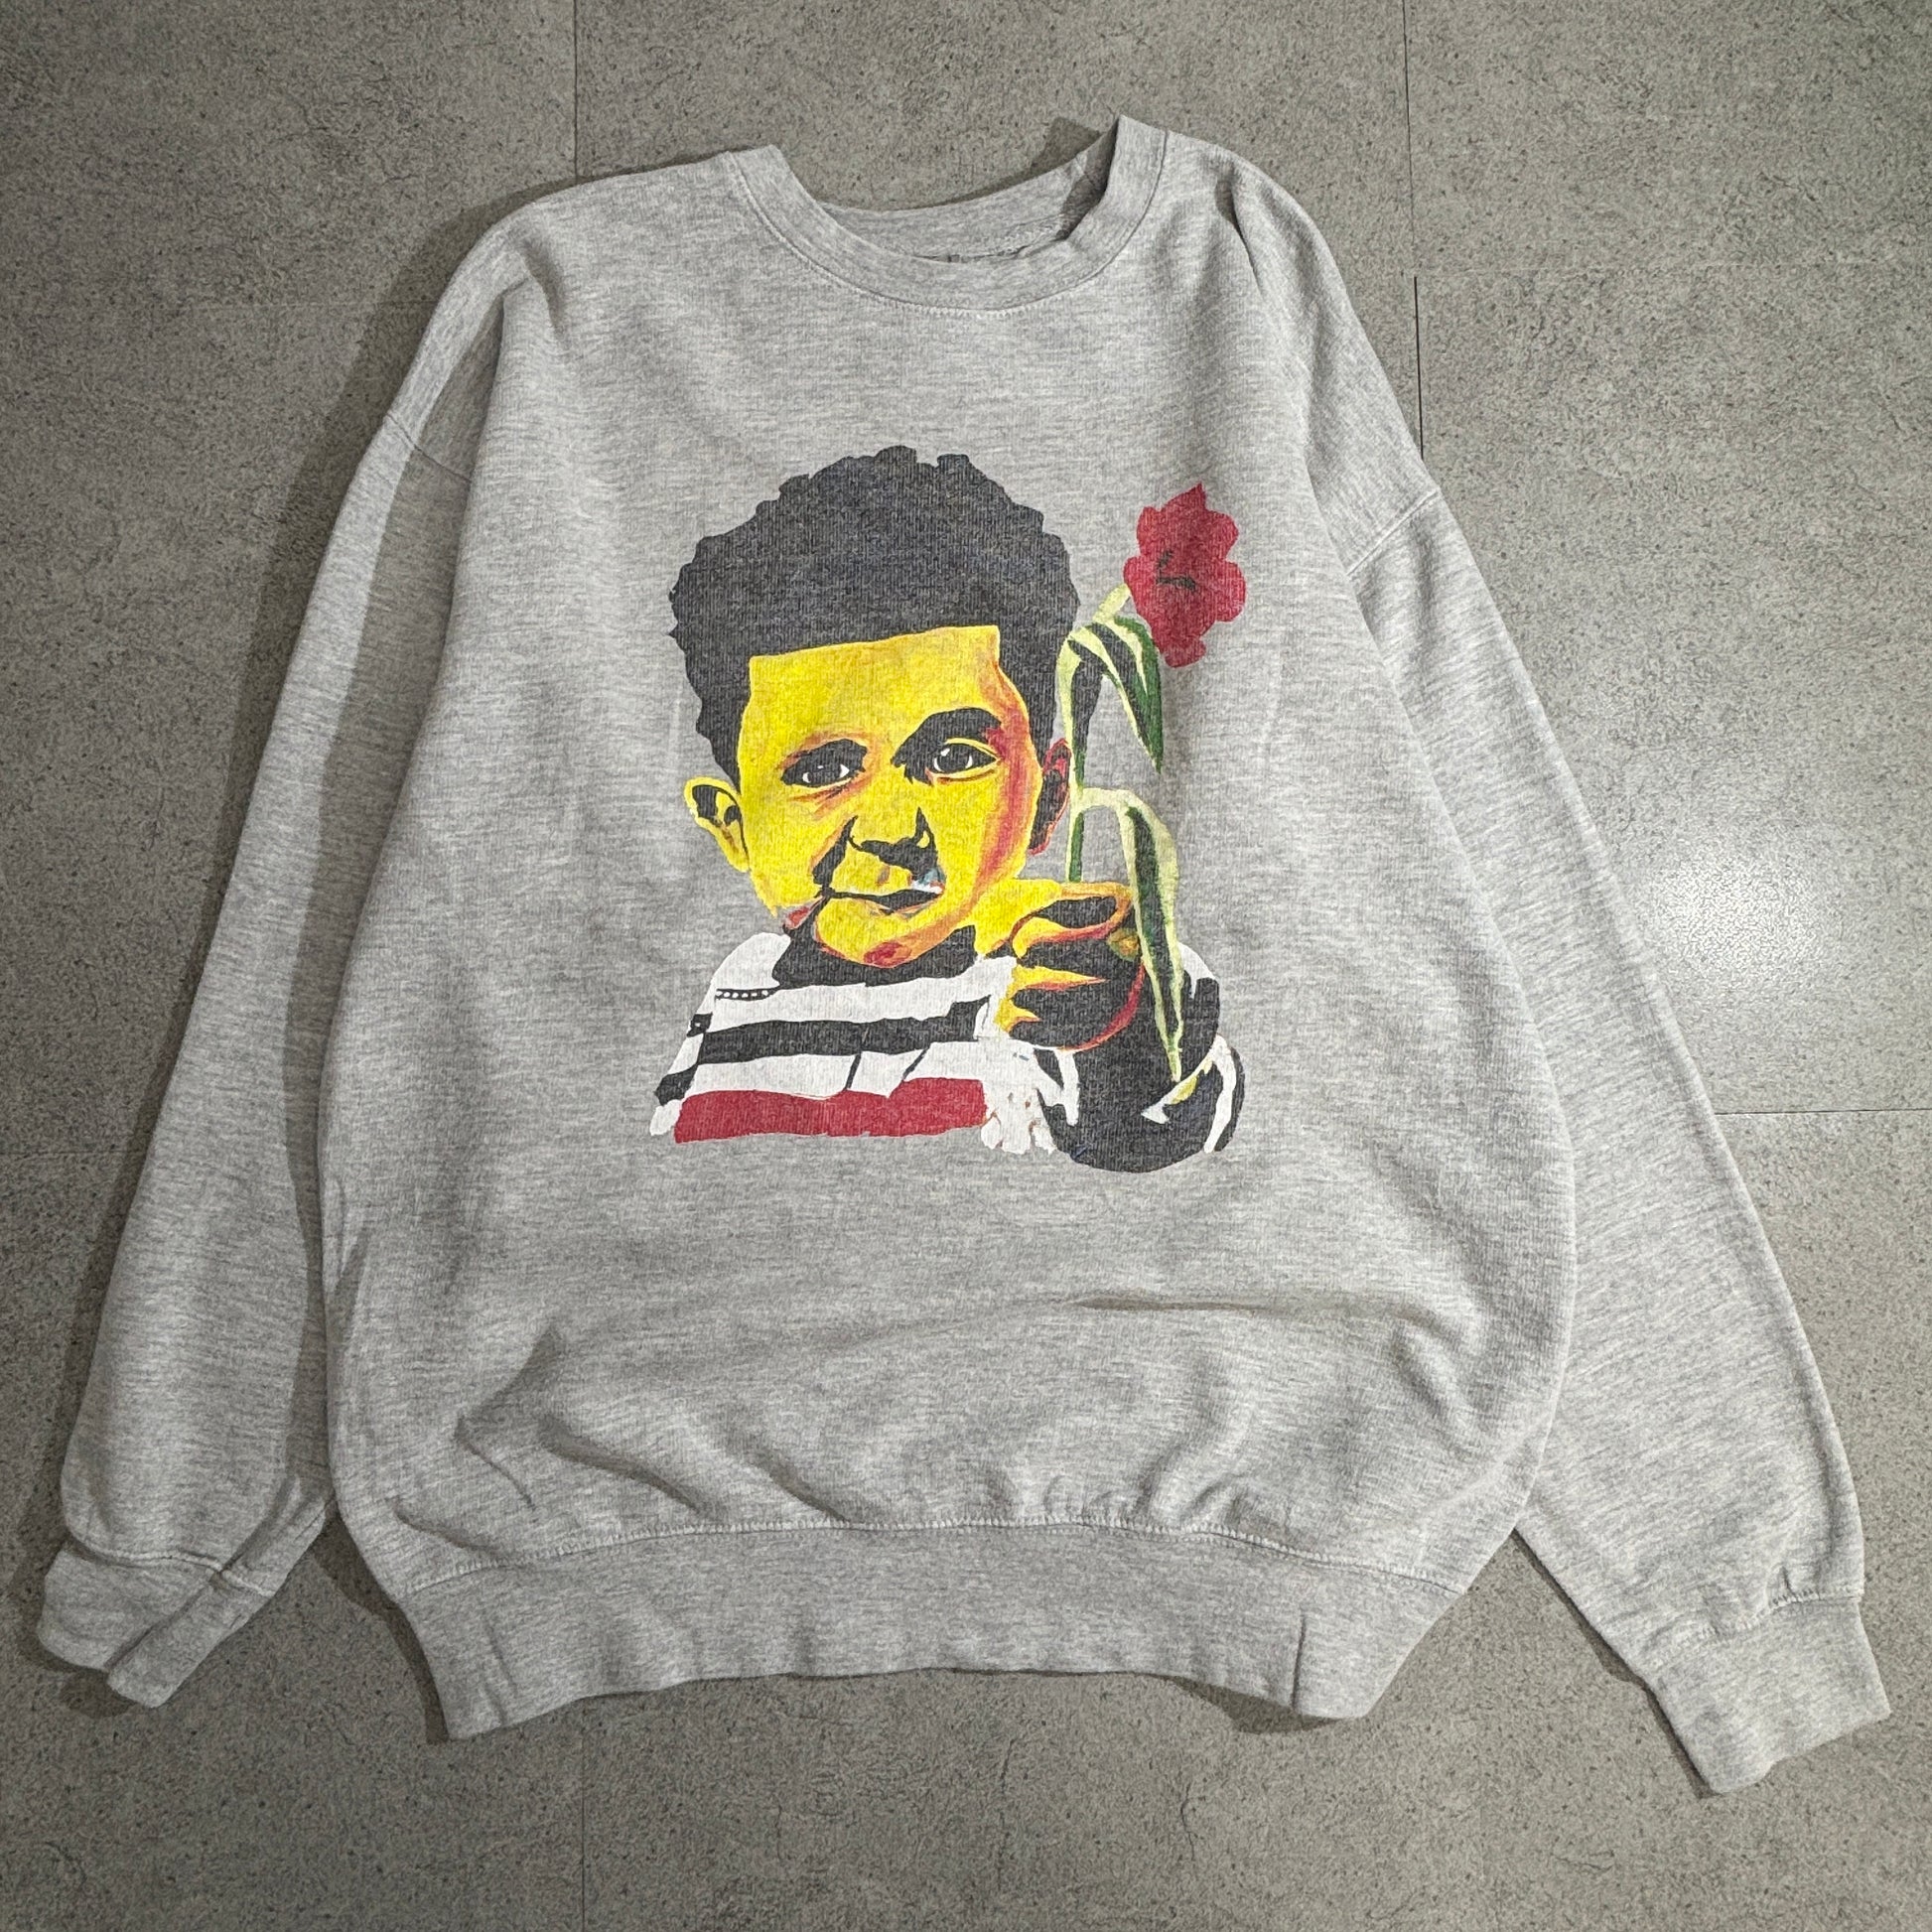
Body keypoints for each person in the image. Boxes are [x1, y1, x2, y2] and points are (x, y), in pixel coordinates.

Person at [650, 444, 1243, 1172]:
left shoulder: (1060, 964)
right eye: (824, 770)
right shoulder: (739, 991)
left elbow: (1173, 1113)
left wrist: (1122, 1034)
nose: (891, 829)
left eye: (956, 758)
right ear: (732, 825)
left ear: (1049, 798)